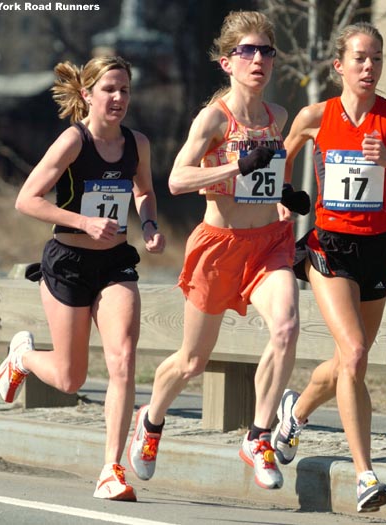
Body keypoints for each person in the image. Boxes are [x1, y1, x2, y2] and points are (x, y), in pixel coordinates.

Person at [127, 10, 310, 491]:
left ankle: (258, 435)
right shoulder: (213, 118)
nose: (258, 60)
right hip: (218, 246)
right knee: (192, 361)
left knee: (288, 327)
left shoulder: (279, 117)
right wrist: (233, 169)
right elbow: (177, 179)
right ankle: (151, 420)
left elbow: (269, 175)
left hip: (268, 243)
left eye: (265, 51)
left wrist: (285, 198)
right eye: (246, 51)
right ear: (227, 62)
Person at [271, 22, 386, 512]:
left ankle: (295, 412)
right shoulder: (314, 115)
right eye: (360, 59)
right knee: (354, 351)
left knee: (353, 358)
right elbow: (278, 161)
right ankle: (365, 475)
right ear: (339, 65)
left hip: (379, 249)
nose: (369, 68)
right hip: (330, 247)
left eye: (377, 59)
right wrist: (283, 199)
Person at [0, 56, 166, 501]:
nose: (118, 99)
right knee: (71, 379)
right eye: (109, 89)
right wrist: (83, 222)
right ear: (88, 95)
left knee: (124, 359)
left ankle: (111, 469)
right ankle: (24, 358)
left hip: (114, 264)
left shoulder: (137, 144)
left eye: (125, 90)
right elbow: (27, 200)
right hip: (68, 261)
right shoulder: (74, 140)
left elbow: (144, 191)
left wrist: (148, 224)